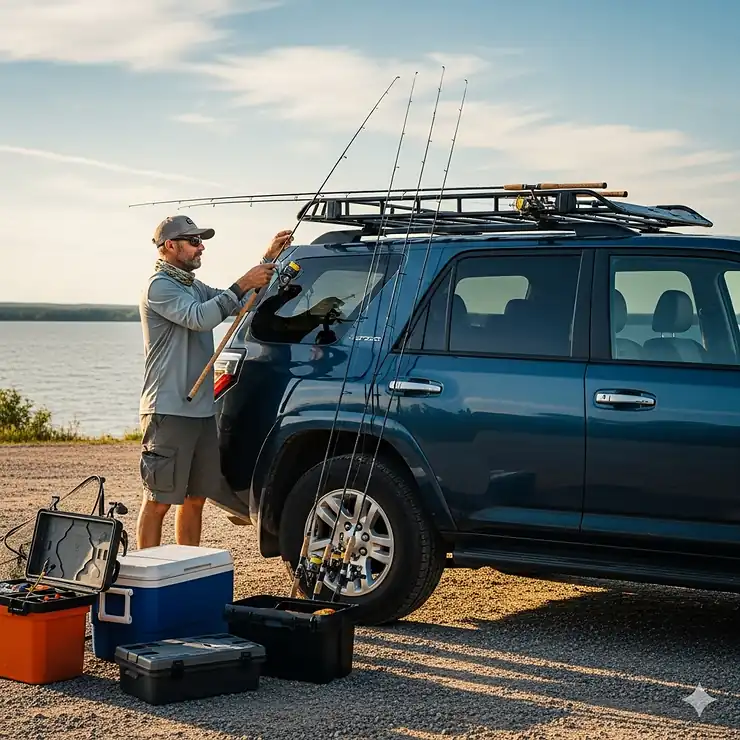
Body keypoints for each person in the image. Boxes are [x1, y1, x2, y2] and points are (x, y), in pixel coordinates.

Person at [136, 213, 293, 550]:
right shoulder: (158, 286)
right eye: (193, 241)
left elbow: (238, 305)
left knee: (195, 500)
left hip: (201, 412)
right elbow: (201, 317)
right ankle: (147, 579)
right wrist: (243, 281)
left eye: (200, 240)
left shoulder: (192, 285)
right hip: (169, 409)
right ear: (170, 246)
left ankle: (184, 571)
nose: (200, 247)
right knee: (159, 501)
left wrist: (268, 260)